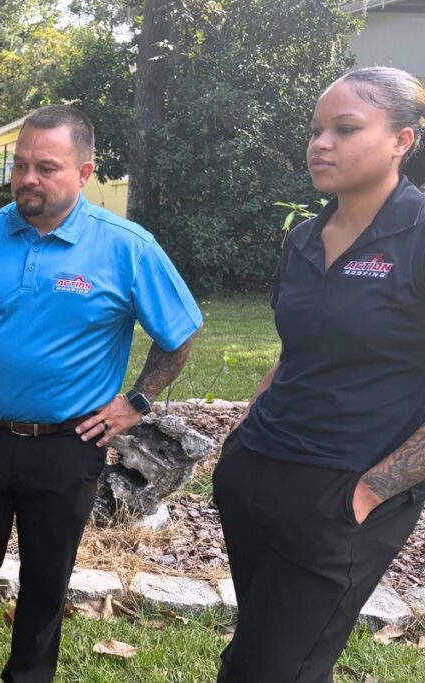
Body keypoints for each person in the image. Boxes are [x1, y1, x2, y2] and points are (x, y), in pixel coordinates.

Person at [0, 105, 203, 683]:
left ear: (84, 173)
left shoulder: (126, 247)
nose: (27, 178)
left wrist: (135, 403)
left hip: (66, 447)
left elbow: (179, 334)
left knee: (45, 585)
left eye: (46, 167)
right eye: (20, 165)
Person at [213, 66, 425, 683]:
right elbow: (295, 349)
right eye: (315, 130)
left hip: (344, 492)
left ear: (403, 140)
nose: (320, 144)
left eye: (345, 129)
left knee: (268, 668)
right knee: (269, 652)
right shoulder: (304, 238)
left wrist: (371, 493)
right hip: (257, 471)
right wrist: (243, 433)